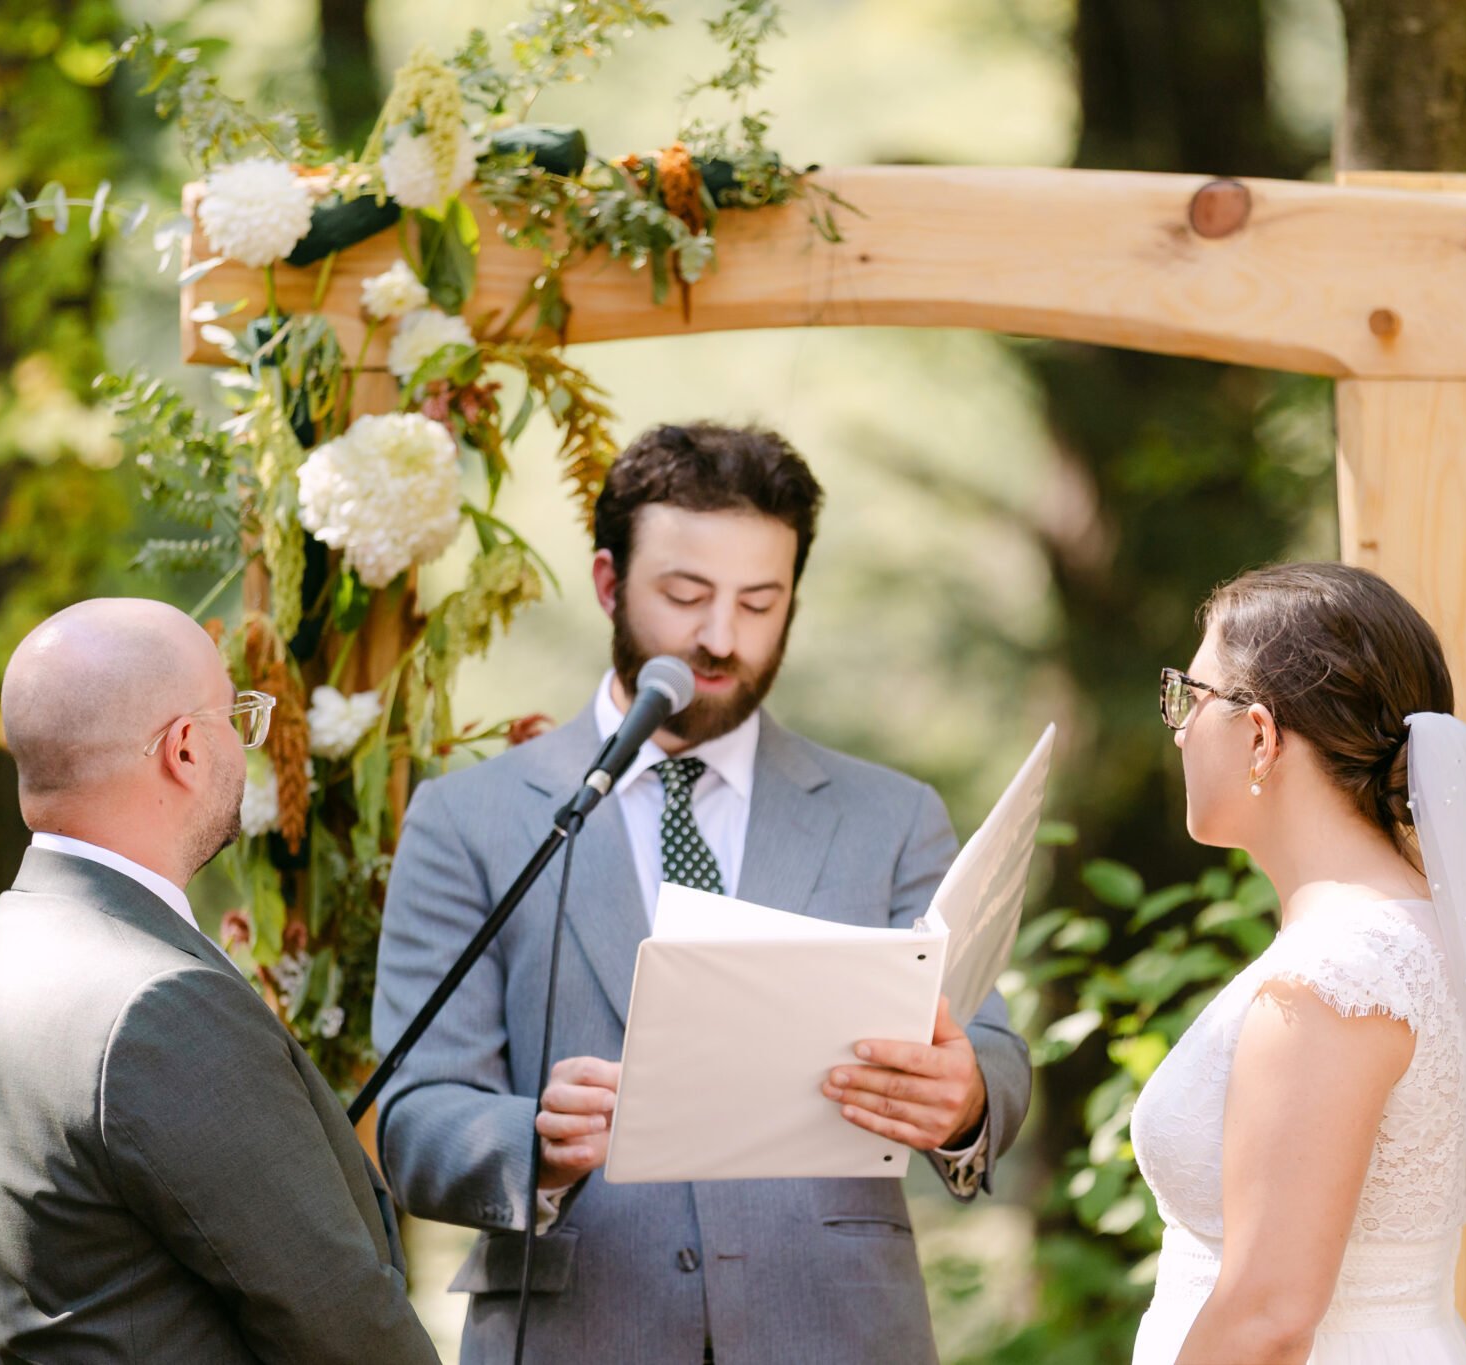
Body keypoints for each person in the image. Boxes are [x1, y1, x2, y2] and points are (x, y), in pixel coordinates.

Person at [373, 422, 1033, 1364]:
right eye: (685, 595)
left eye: (761, 603)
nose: (721, 638)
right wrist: (536, 1139)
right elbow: (415, 1117)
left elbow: (995, 1049)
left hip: (837, 1333)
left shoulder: (890, 815)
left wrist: (966, 1098)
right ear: (609, 584)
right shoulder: (468, 819)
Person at [0, 598, 440, 1364]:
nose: (247, 741)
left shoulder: (5, 947)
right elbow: (342, 1325)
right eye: (235, 713)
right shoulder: (160, 1003)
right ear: (185, 749)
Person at [1130, 563, 1466, 1364]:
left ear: (1260, 735)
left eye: (1193, 696)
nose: (1179, 728)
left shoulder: (1333, 977)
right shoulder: (1429, 936)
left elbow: (1269, 1314)